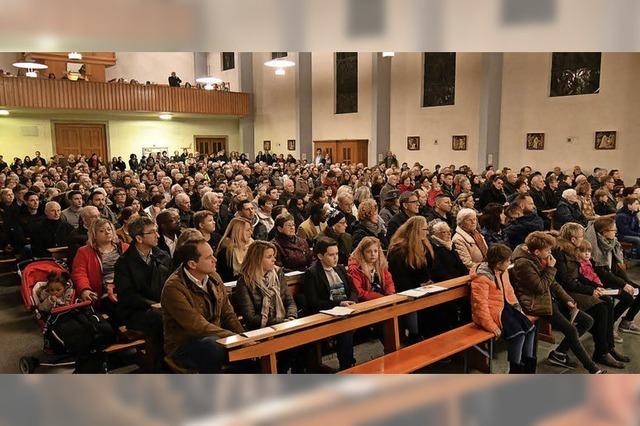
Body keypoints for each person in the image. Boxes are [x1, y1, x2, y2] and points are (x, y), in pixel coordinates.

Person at [510, 231, 605, 374]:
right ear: (536, 252)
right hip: (536, 303)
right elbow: (540, 287)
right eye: (548, 250)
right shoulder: (523, 264)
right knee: (571, 330)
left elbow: (553, 284)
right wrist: (550, 268)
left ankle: (559, 353)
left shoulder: (539, 258)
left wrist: (567, 299)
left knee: (587, 320)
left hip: (549, 299)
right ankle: (592, 368)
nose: (550, 252)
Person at [162, 236, 245, 373]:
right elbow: (197, 326)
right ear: (192, 264)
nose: (215, 260)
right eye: (208, 258)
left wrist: (244, 337)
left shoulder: (214, 276)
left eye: (213, 255)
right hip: (184, 345)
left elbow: (228, 313)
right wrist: (232, 337)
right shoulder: (174, 287)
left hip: (216, 336)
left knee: (252, 351)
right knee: (212, 346)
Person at [554, 223, 628, 368]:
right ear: (573, 239)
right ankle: (601, 352)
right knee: (601, 308)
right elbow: (565, 281)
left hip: (575, 287)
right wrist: (590, 290)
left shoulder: (572, 250)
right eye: (581, 237)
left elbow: (579, 275)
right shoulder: (560, 252)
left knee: (606, 301)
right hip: (564, 292)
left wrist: (596, 286)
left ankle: (608, 347)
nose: (583, 239)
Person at [114, 216, 172, 371]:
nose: (157, 235)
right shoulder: (124, 263)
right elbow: (127, 296)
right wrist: (152, 305)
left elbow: (172, 284)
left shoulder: (162, 256)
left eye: (156, 231)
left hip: (162, 304)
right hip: (137, 311)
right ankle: (161, 364)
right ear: (139, 238)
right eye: (152, 232)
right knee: (159, 320)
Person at [232, 241, 299, 372]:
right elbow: (250, 318)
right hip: (260, 330)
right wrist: (281, 322)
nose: (274, 259)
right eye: (269, 257)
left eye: (274, 256)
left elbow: (289, 300)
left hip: (282, 324)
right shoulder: (244, 281)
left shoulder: (278, 273)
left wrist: (291, 317)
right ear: (257, 259)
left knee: (300, 341)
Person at [471, 244, 537, 373]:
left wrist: (519, 309)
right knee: (518, 335)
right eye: (507, 261)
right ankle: (515, 370)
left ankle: (529, 369)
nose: (509, 263)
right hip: (493, 312)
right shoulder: (482, 278)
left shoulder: (503, 271)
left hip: (507, 307)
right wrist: (491, 326)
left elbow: (509, 291)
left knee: (530, 329)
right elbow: (480, 306)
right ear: (497, 263)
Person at [302, 237, 356, 370]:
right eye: (331, 255)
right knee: (345, 328)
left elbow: (352, 290)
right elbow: (314, 302)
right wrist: (339, 304)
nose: (335, 258)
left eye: (337, 254)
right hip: (327, 313)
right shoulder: (312, 273)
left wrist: (353, 301)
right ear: (320, 256)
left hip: (347, 308)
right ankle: (347, 366)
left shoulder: (340, 268)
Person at [585, 217, 640, 334]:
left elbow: (615, 268)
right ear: (604, 232)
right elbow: (600, 272)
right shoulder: (594, 246)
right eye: (613, 230)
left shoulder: (612, 243)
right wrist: (624, 284)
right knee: (627, 298)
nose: (616, 233)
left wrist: (627, 282)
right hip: (598, 281)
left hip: (610, 277)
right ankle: (608, 327)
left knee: (637, 290)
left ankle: (627, 322)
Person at [72, 218, 129, 323]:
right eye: (102, 231)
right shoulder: (84, 252)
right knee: (119, 310)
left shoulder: (125, 247)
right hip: (104, 292)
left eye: (109, 229)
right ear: (94, 235)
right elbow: (79, 274)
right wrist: (85, 289)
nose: (107, 232)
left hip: (126, 288)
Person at [388, 216, 433, 341]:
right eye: (425, 229)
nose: (427, 232)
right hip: (407, 292)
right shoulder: (399, 250)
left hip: (423, 289)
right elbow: (399, 278)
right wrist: (419, 286)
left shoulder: (424, 245)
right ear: (416, 230)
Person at [347, 237, 395, 301]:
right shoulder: (355, 268)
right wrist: (381, 298)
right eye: (368, 251)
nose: (373, 254)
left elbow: (389, 283)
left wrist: (390, 295)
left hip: (383, 299)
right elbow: (359, 293)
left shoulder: (381, 264)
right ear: (362, 253)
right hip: (366, 302)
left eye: (375, 251)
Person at [216, 217, 254, 282]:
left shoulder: (253, 246)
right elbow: (224, 278)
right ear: (238, 232)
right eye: (248, 230)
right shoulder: (225, 252)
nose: (251, 233)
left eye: (251, 230)